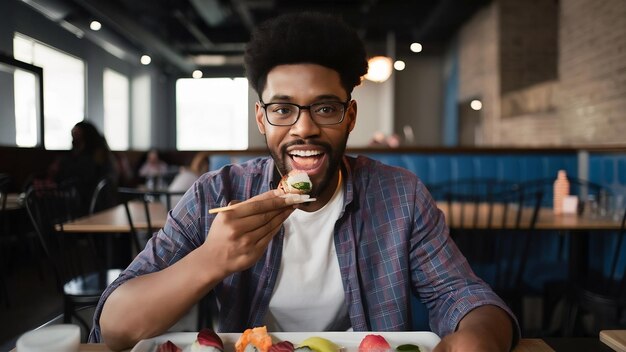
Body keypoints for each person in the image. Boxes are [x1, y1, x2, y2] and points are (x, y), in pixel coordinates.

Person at [90, 12, 518, 351]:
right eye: (282, 110)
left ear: (350, 116)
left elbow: (459, 295)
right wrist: (212, 260)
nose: (304, 129)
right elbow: (115, 327)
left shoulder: (400, 196)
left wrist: (480, 337)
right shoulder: (216, 194)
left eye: (325, 109)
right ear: (262, 118)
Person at [54, 121, 118, 212]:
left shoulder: (98, 154)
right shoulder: (74, 155)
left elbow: (87, 177)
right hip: (83, 198)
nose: (73, 140)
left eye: (77, 136)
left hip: (94, 201)